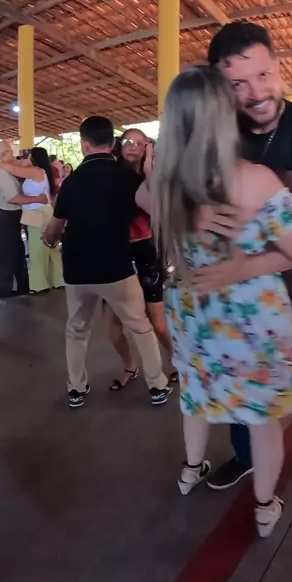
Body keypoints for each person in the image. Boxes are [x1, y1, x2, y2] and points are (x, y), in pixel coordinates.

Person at [155, 65, 292, 535]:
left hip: (192, 308)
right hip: (246, 315)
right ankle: (265, 508)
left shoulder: (165, 181)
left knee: (195, 394)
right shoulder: (254, 179)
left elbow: (150, 198)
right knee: (261, 417)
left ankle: (190, 471)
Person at [188, 21, 292, 489]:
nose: (256, 92)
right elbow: (161, 193)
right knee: (241, 375)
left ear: (278, 67)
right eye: (237, 84)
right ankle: (246, 454)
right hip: (243, 295)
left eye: (263, 74)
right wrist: (194, 213)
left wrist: (248, 264)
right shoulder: (214, 136)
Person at [43, 115, 171, 408]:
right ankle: (157, 385)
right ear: (113, 143)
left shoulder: (71, 182)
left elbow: (55, 228)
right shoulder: (126, 178)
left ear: (84, 144)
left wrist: (49, 240)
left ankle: (76, 388)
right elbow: (156, 209)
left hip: (77, 271)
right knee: (140, 327)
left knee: (77, 330)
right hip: (117, 268)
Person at [103, 128, 176, 391]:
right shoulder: (110, 174)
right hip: (116, 251)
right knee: (112, 326)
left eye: (139, 142)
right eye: (127, 141)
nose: (132, 146)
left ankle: (177, 361)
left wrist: (148, 170)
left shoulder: (154, 176)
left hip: (145, 249)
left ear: (148, 147)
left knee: (157, 319)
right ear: (119, 145)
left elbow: (162, 209)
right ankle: (129, 366)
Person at [2, 147, 64, 293]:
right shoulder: (40, 171)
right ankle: (57, 280)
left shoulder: (36, 171)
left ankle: (39, 285)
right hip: (42, 211)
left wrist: (3, 161)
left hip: (37, 213)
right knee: (50, 248)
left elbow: (13, 169)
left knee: (37, 249)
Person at [0, 141, 29, 298]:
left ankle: (21, 285)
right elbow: (13, 198)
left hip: (10, 214)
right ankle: (4, 289)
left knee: (16, 250)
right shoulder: (2, 173)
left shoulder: (8, 170)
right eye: (10, 151)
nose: (13, 154)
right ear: (3, 155)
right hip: (6, 215)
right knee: (8, 252)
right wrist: (37, 199)